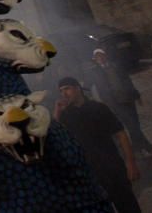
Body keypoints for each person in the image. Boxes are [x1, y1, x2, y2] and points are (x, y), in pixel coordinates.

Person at [55, 77, 141, 213]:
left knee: (128, 205)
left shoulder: (98, 108)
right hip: (89, 172)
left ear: (77, 88)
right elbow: (58, 138)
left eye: (67, 89)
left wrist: (131, 163)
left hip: (111, 166)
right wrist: (58, 113)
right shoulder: (66, 115)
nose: (64, 94)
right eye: (61, 91)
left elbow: (120, 134)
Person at [88, 49, 152, 156]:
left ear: (105, 56)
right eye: (97, 57)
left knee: (135, 125)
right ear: (95, 59)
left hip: (128, 98)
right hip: (116, 103)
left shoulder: (115, 66)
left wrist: (136, 95)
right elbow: (99, 88)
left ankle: (137, 149)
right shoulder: (96, 72)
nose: (100, 58)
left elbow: (127, 80)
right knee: (132, 125)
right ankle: (150, 148)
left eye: (101, 55)